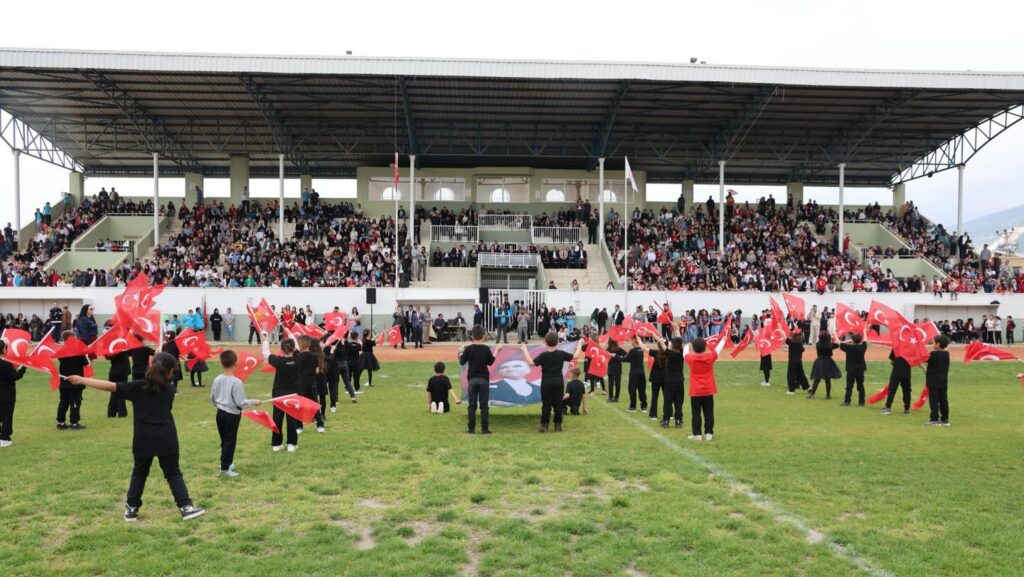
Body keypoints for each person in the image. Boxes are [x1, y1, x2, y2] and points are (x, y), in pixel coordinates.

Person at [67, 353, 206, 521]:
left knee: (139, 473)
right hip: (166, 438)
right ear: (170, 372)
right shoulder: (170, 389)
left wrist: (82, 380)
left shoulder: (138, 387)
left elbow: (110, 386)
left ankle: (131, 509)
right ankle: (186, 507)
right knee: (173, 473)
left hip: (143, 439)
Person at [210, 350, 262, 477]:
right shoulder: (236, 382)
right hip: (231, 415)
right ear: (235, 364)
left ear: (221, 364)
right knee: (230, 441)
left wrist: (219, 406)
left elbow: (212, 397)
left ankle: (226, 462)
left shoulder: (217, 379)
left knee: (224, 439)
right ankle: (224, 468)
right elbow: (241, 402)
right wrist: (253, 402)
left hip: (220, 413)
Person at [523, 334, 583, 433]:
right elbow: (576, 356)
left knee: (546, 404)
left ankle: (544, 426)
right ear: (558, 342)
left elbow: (530, 363)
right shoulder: (561, 354)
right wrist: (579, 344)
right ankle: (557, 426)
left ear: (545, 342)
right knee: (558, 404)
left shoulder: (544, 355)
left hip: (546, 382)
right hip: (558, 382)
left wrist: (524, 350)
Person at [261, 335, 301, 451]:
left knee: (277, 419)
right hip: (293, 395)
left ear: (282, 350)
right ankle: (291, 444)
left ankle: (276, 444)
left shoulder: (278, 361)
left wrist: (265, 341)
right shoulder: (298, 359)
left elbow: (266, 353)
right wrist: (290, 334)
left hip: (279, 394)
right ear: (293, 349)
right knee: (292, 419)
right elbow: (297, 348)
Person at [684, 335, 727, 441]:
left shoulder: (691, 358)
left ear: (693, 348)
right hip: (708, 390)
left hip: (696, 391)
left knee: (696, 413)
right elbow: (718, 349)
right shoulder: (709, 357)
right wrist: (723, 339)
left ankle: (697, 434)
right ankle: (709, 433)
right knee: (709, 412)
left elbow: (684, 354)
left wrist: (686, 345)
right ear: (705, 347)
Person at [459, 325, 496, 434]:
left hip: (472, 380)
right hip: (484, 380)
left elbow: (462, 362)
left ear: (472, 336)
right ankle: (485, 429)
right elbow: (491, 362)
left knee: (472, 405)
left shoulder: (469, 349)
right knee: (484, 406)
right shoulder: (486, 349)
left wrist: (460, 351)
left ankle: (471, 429)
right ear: (483, 336)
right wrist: (497, 350)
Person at [652, 325, 686, 429]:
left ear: (673, 346)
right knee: (678, 402)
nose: (669, 343)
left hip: (669, 382)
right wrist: (676, 328)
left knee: (668, 401)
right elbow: (680, 341)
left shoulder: (669, 353)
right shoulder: (682, 354)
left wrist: (653, 333)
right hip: (679, 382)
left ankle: (666, 421)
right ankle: (678, 421)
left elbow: (661, 343)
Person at [57, 330, 88, 430]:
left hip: (64, 380)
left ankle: (61, 422)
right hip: (76, 380)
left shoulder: (62, 350)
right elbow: (86, 364)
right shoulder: (78, 351)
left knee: (63, 401)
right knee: (75, 402)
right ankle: (74, 423)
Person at [296, 335, 326, 434]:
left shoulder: (298, 356)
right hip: (312, 383)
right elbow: (317, 370)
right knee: (314, 404)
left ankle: (299, 427)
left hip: (300, 384)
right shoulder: (314, 355)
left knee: (299, 405)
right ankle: (320, 425)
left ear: (302, 344)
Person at [0, 340, 28, 447]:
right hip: (6, 395)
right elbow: (15, 377)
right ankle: (4, 438)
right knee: (6, 416)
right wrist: (23, 368)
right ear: (3, 350)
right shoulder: (6, 364)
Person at [924, 335, 951, 426]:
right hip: (943, 381)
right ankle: (945, 419)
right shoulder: (946, 354)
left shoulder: (933, 354)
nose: (932, 344)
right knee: (943, 400)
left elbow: (924, 358)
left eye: (933, 342)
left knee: (934, 400)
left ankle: (934, 419)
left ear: (938, 344)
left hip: (933, 381)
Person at [808, 332, 841, 400]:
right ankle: (828, 395)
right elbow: (838, 344)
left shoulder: (818, 344)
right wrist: (834, 337)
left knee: (817, 379)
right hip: (828, 361)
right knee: (827, 379)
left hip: (820, 361)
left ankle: (812, 394)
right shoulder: (830, 345)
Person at [839, 333, 868, 407]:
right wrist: (864, 332)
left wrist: (847, 341)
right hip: (860, 369)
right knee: (860, 386)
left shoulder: (848, 347)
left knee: (849, 386)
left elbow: (839, 343)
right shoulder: (862, 347)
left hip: (851, 369)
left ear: (853, 340)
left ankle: (847, 402)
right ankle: (861, 402)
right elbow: (865, 340)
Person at [624, 334, 649, 412]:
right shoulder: (641, 350)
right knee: (642, 390)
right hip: (641, 373)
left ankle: (633, 406)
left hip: (634, 373)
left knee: (632, 389)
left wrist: (617, 356)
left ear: (635, 340)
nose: (631, 341)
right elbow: (631, 359)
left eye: (632, 340)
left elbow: (625, 359)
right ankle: (644, 406)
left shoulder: (632, 351)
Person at [882, 349, 912, 415]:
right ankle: (907, 409)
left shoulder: (896, 347)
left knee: (892, 389)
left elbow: (892, 360)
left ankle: (888, 407)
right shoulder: (911, 347)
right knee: (907, 390)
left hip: (896, 372)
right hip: (906, 372)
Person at [106, 346, 131, 418]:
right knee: (121, 392)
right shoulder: (123, 346)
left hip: (113, 372)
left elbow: (107, 356)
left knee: (113, 393)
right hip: (122, 372)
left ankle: (111, 413)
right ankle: (122, 412)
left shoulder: (111, 347)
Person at [785, 330, 810, 395]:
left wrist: (779, 328)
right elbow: (802, 349)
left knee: (791, 376)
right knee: (801, 375)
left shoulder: (791, 343)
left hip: (792, 362)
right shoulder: (799, 344)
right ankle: (808, 387)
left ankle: (791, 390)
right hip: (799, 362)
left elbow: (784, 336)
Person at [605, 339, 627, 404]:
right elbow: (626, 355)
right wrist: (619, 357)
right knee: (617, 384)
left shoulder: (608, 349)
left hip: (611, 368)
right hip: (618, 368)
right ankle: (616, 398)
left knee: (610, 383)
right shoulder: (619, 349)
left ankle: (611, 397)